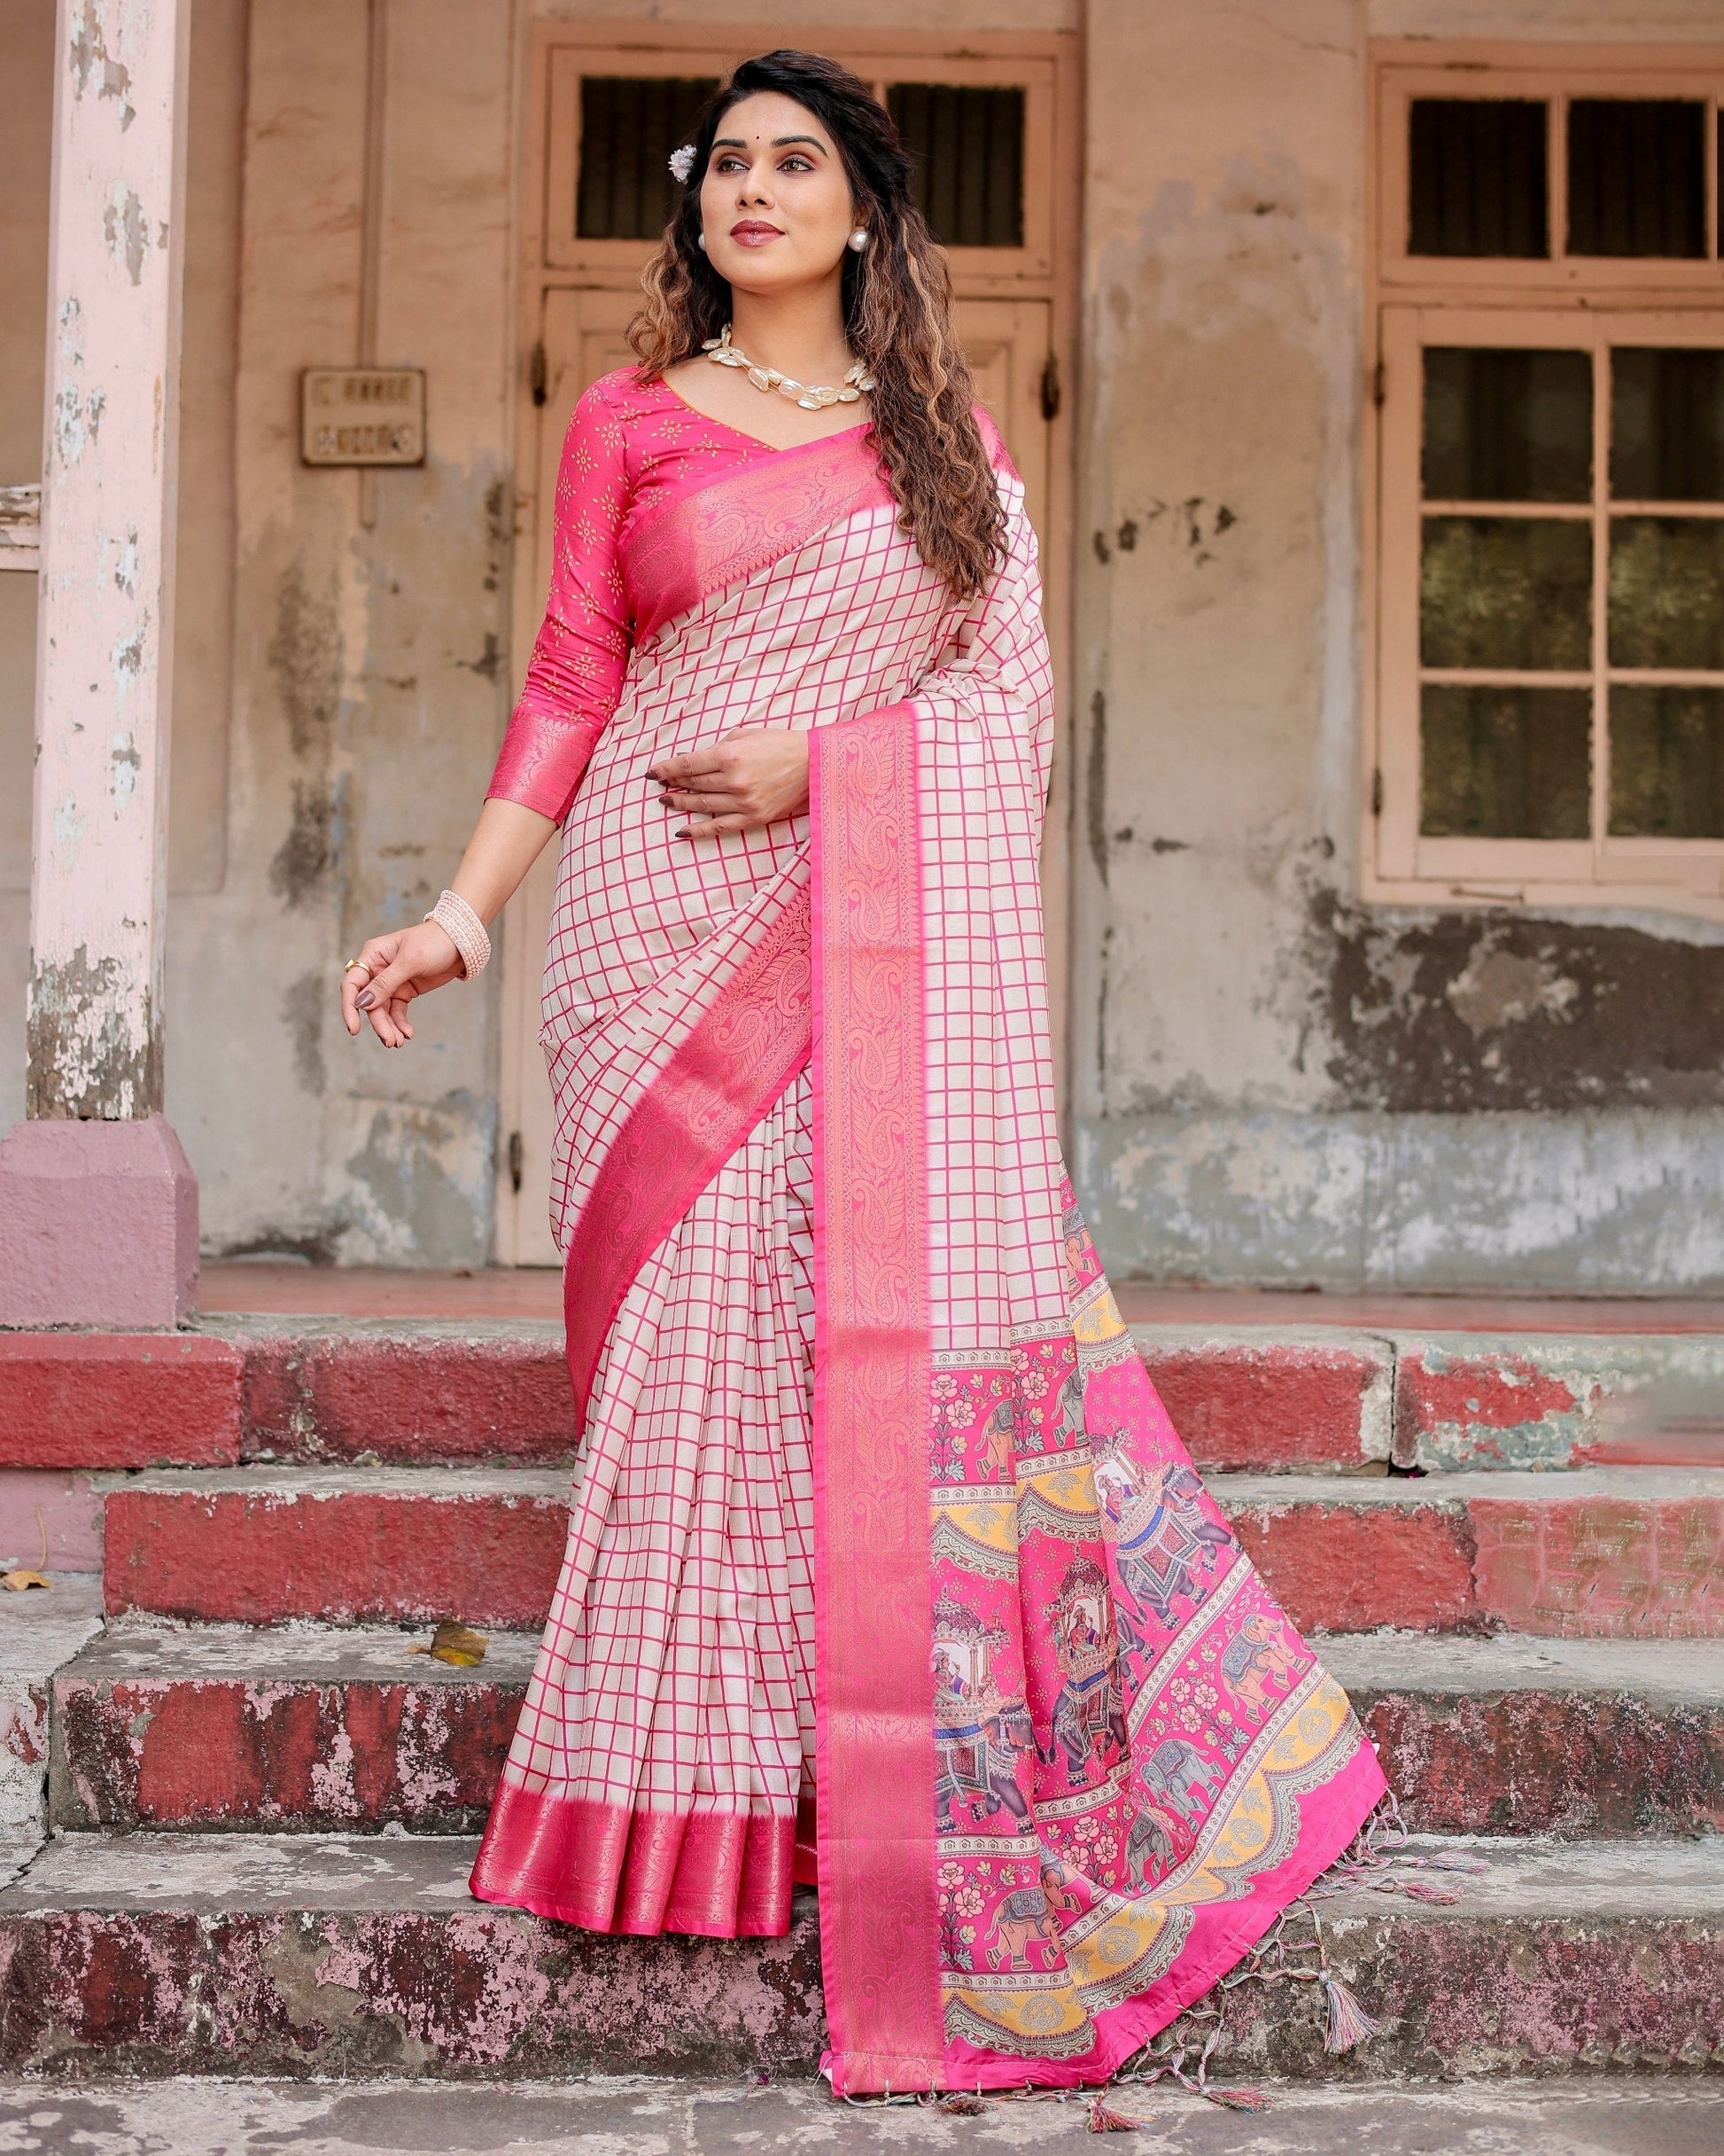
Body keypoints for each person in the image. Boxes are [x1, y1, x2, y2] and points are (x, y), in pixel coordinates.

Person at [339, 48, 1386, 2098]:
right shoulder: (625, 419)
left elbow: (1000, 698)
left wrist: (830, 770)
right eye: (723, 161)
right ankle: (675, 1807)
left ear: (862, 209)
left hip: (860, 929)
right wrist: (465, 911)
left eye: (792, 161)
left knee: (859, 1353)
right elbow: (572, 672)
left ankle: (859, 1794)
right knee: (690, 1368)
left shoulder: (935, 436)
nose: (749, 188)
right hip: (655, 933)